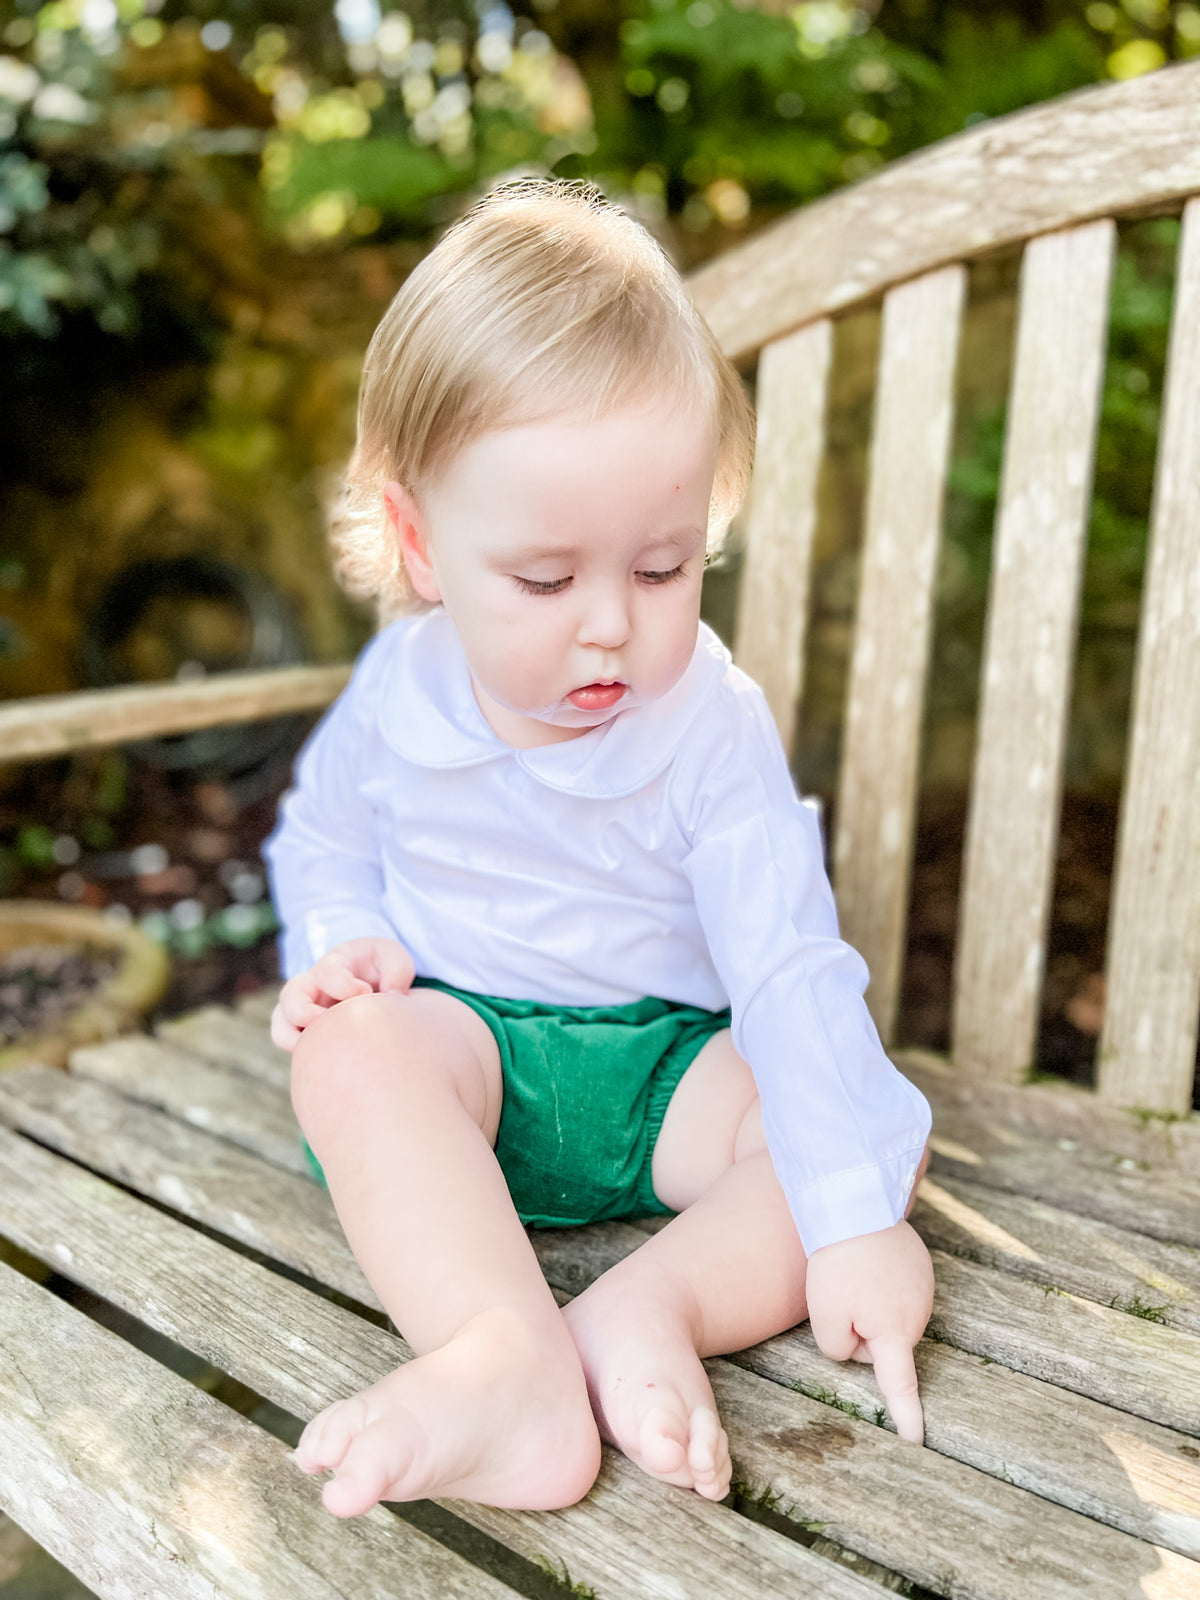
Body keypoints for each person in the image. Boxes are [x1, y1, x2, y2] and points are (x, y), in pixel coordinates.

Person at [264, 176, 934, 1521]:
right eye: (547, 578)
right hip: (477, 1074)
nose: (612, 627)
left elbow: (791, 963)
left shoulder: (710, 730)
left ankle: (645, 1310)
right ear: (421, 543)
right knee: (352, 1054)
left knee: (856, 1132)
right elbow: (321, 839)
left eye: (664, 566)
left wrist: (856, 1225)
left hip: (666, 1078)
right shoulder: (397, 698)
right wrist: (343, 952)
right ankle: (502, 1363)